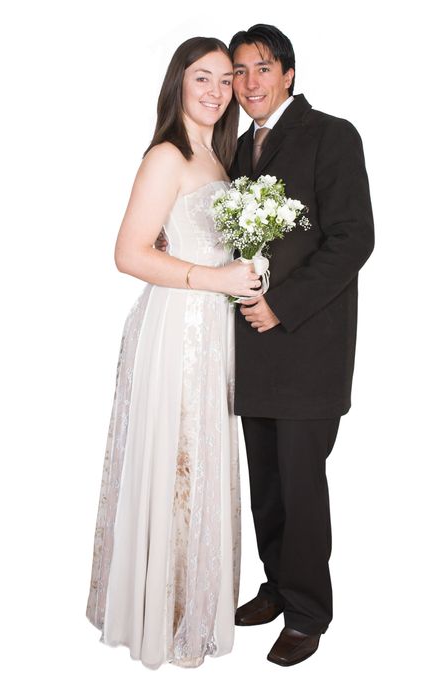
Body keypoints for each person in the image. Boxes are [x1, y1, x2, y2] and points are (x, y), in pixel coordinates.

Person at [85, 37, 261, 670]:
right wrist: (218, 280)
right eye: (202, 78)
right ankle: (161, 614)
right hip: (175, 330)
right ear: (178, 85)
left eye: (225, 80)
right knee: (175, 459)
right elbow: (129, 253)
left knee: (203, 458)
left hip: (214, 333)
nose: (216, 91)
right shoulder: (169, 155)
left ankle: (192, 602)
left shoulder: (221, 160)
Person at [228, 24, 375, 666]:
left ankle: (309, 613)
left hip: (307, 349)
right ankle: (278, 587)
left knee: (301, 485)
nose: (249, 82)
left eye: (261, 68)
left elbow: (352, 239)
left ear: (288, 73)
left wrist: (279, 307)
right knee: (266, 485)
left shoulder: (332, 136)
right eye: (239, 71)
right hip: (249, 351)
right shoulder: (236, 149)